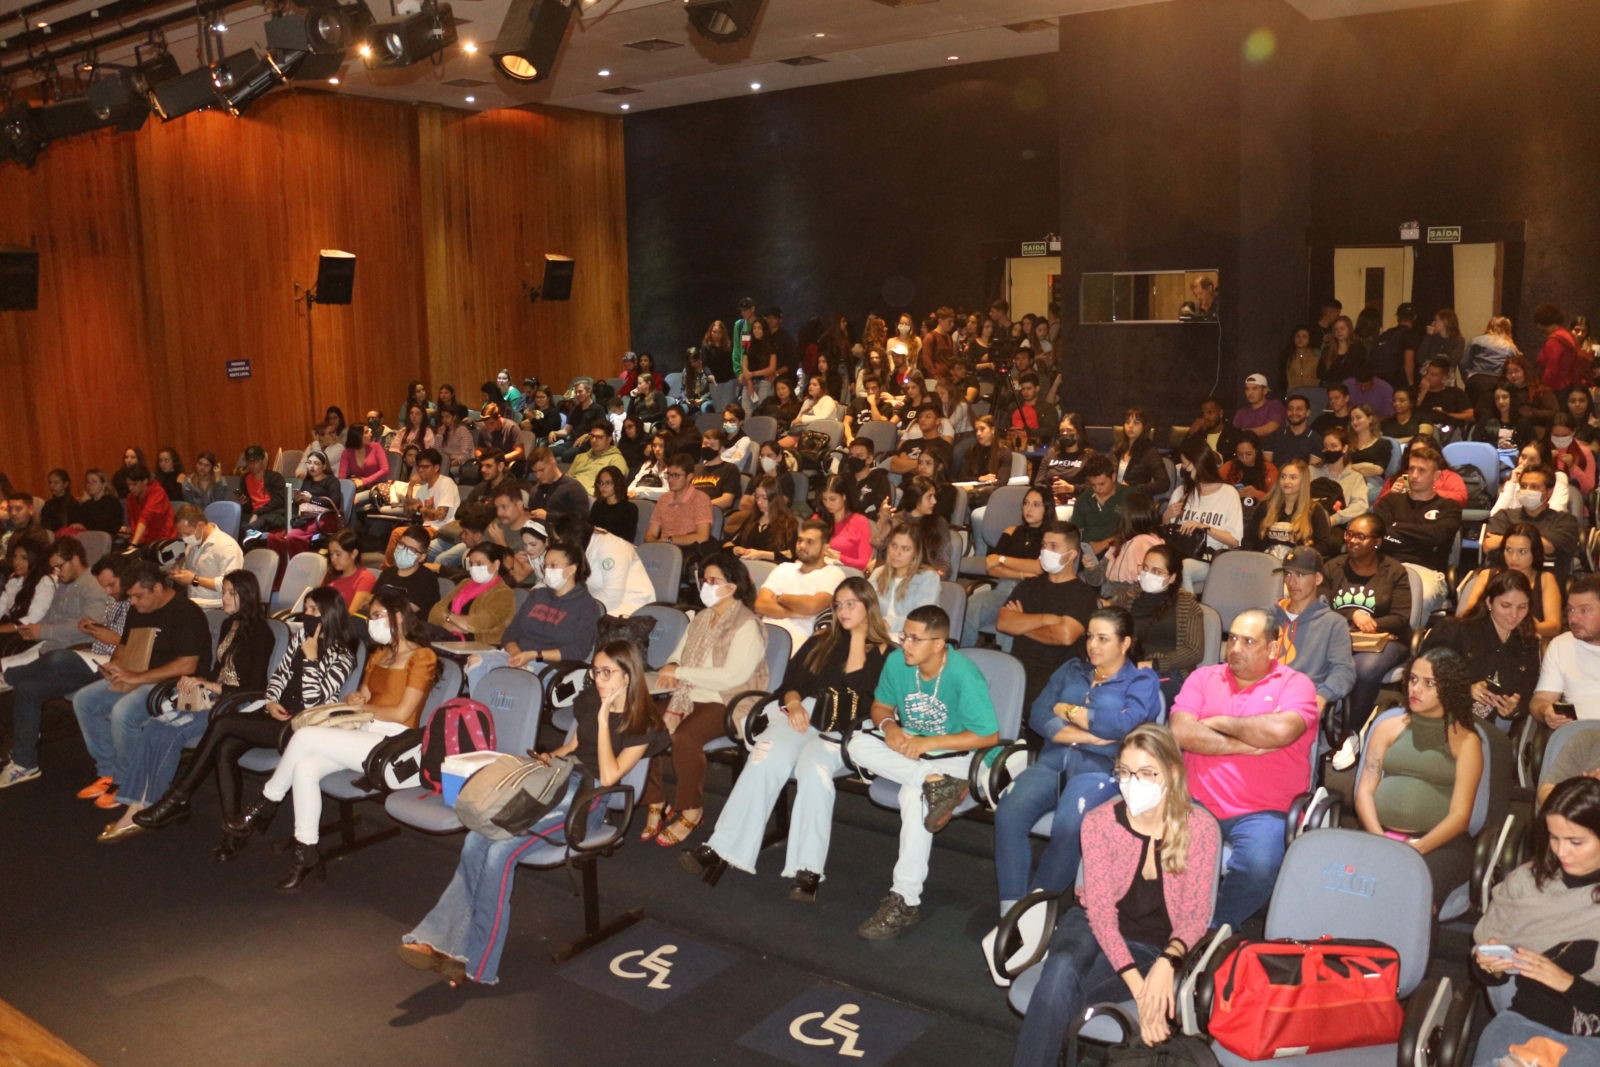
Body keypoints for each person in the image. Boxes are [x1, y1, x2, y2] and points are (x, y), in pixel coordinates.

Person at [401, 640, 668, 987]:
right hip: (557, 781)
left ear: (628, 675)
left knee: (500, 852)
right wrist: (544, 761)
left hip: (588, 801)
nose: (599, 679)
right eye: (595, 671)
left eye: (607, 673)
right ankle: (439, 942)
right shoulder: (590, 699)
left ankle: (476, 963)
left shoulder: (645, 723)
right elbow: (574, 746)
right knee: (475, 840)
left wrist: (605, 722)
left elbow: (610, 775)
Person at [1011, 724, 1222, 1067]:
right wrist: (1143, 993)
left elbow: (1195, 915)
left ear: (1172, 773)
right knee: (1061, 971)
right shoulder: (1100, 822)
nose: (1132, 782)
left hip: (1150, 943)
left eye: (1146, 773)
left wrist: (1167, 963)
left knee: (1057, 994)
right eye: (1124, 772)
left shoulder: (1200, 828)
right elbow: (1102, 916)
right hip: (1090, 924)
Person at [679, 578, 893, 897]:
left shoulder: (887, 653)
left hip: (849, 727)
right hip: (804, 712)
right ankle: (721, 847)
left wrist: (860, 638)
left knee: (813, 771)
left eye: (851, 604)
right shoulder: (821, 641)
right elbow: (790, 685)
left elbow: (858, 689)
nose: (843, 611)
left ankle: (808, 869)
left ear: (869, 606)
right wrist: (794, 705)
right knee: (764, 757)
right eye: (838, 605)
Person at [229, 592, 438, 890]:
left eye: (378, 616)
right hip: (363, 731)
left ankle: (266, 801)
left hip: (392, 743)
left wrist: (363, 708)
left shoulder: (422, 657)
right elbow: (364, 696)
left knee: (305, 735)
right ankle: (306, 854)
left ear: (399, 617)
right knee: (305, 767)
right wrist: (356, 700)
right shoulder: (380, 654)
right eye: (372, 617)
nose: (372, 623)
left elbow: (402, 713)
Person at [995, 607, 1163, 912]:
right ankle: (1011, 906)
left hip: (1100, 769)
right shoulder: (1072, 669)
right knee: (1008, 811)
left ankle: (1036, 908)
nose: (1092, 645)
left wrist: (1069, 710)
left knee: (1070, 825)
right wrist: (1090, 735)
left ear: (1125, 643)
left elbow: (1125, 726)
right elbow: (1038, 713)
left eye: (1103, 638)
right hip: (1053, 758)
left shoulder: (1141, 680)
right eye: (1089, 637)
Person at [847, 605, 1000, 939]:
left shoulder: (963, 674)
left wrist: (928, 744)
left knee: (913, 798)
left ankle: (905, 899)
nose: (906, 644)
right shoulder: (897, 662)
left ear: (939, 644)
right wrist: (889, 727)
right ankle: (934, 782)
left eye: (915, 639)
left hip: (959, 755)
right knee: (856, 744)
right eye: (905, 636)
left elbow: (988, 735)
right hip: (914, 751)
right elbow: (881, 706)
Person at [98, 570, 274, 843]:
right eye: (224, 591)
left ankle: (150, 806)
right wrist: (198, 682)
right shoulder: (230, 625)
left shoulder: (261, 633)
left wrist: (213, 687)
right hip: (215, 696)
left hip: (238, 704)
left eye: (231, 593)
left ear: (247, 595)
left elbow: (255, 685)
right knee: (154, 726)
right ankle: (135, 804)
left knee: (171, 731)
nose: (224, 598)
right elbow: (218, 670)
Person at [1170, 608, 1318, 929]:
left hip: (1265, 810)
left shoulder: (1295, 685)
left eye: (1248, 641)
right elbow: (1181, 732)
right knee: (1168, 849)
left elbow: (1281, 730)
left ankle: (1217, 928)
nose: (1235, 648)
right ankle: (1183, 923)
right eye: (1232, 639)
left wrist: (1220, 722)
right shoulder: (1203, 678)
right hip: (1197, 801)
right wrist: (1245, 744)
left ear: (1272, 649)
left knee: (1259, 865)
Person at [1470, 776, 1600, 1067]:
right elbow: (1486, 969)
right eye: (1554, 838)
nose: (1561, 852)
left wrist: (1568, 983)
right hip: (1527, 1017)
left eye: (1575, 842)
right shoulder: (1526, 883)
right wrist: (1489, 967)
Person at [641, 553, 769, 846]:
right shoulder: (701, 618)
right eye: (704, 580)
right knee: (642, 724)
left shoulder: (746, 624)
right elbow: (678, 655)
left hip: (726, 700)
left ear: (732, 587)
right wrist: (672, 668)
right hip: (687, 694)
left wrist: (680, 672)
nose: (705, 585)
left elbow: (731, 677)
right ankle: (655, 798)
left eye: (713, 581)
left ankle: (692, 809)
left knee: (685, 737)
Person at [71, 562, 212, 810]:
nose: (133, 602)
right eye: (131, 597)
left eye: (138, 596)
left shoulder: (186, 613)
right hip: (140, 676)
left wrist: (137, 678)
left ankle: (129, 781)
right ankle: (109, 772)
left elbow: (188, 665)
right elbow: (125, 646)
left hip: (181, 686)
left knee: (124, 712)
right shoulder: (138, 609)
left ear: (157, 588)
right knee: (84, 700)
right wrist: (114, 667)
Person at [1354, 647, 1485, 911]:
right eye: (1413, 679)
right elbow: (1364, 791)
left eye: (1428, 683)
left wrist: (1416, 849)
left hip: (1439, 844)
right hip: (1377, 834)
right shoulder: (1387, 727)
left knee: (1414, 899)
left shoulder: (1466, 740)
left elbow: (1460, 816)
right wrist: (1379, 839)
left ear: (1448, 688)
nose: (1416, 689)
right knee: (1348, 887)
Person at [0, 551, 121, 788]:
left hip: (111, 661)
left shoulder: (134, 602)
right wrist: (93, 627)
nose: (107, 591)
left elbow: (137, 644)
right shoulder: (101, 595)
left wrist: (109, 637)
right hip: (92, 656)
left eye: (111, 585)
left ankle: (8, 676)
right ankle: (25, 764)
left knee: (57, 658)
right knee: (28, 689)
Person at [462, 540, 602, 694]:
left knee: (515, 678)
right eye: (545, 566)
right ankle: (478, 709)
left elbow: (579, 650)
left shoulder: (586, 606)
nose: (547, 570)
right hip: (517, 656)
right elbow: (510, 634)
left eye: (553, 566)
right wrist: (517, 654)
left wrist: (533, 656)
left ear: (571, 569)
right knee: (476, 662)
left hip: (549, 665)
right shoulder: (537, 596)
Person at [1323, 515, 1413, 749]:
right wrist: (1353, 614)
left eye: (1360, 536)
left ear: (1377, 542)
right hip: (1339, 636)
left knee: (1364, 669)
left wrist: (1370, 623)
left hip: (1386, 640)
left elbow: (1400, 618)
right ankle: (1318, 723)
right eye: (1349, 534)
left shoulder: (1394, 571)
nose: (1352, 540)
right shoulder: (1332, 567)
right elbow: (1322, 607)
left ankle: (1348, 731)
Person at [1423, 570, 1541, 734]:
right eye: (1506, 606)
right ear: (1489, 602)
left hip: (1490, 730)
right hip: (1444, 717)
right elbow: (1423, 677)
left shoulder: (1528, 645)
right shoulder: (1456, 631)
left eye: (1522, 607)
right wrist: (1465, 689)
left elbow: (1528, 693)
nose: (1514, 615)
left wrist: (1515, 707)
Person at [998, 522, 1097, 713]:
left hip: (1057, 672)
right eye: (1044, 545)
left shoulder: (1084, 594)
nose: (1045, 551)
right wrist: (1047, 619)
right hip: (1017, 665)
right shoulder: (1029, 585)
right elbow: (1003, 622)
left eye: (1053, 546)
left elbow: (1065, 636)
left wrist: (1022, 623)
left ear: (1072, 555)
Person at [1373, 441, 1461, 614]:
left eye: (1422, 470)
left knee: (1414, 599)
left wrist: (1396, 527)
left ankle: (1411, 632)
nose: (1414, 475)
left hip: (1428, 572)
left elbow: (1437, 536)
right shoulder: (1389, 502)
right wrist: (1421, 538)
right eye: (1411, 469)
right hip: (1387, 568)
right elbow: (1378, 535)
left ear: (1436, 476)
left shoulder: (1449, 507)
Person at [1271, 546, 1355, 716]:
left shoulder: (1334, 624)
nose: (1291, 582)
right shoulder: (1268, 616)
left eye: (1300, 575)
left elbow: (1344, 670)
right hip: (1263, 696)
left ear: (1318, 578)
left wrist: (1323, 695)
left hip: (1300, 703)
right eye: (1288, 574)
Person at [962, 486, 1048, 648]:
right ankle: (964, 653)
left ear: (1047, 509)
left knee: (1010, 618)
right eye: (1026, 503)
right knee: (973, 605)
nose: (1029, 509)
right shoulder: (1011, 531)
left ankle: (1007, 661)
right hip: (1003, 588)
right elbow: (991, 566)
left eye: (1036, 505)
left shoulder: (1050, 536)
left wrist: (1003, 560)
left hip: (1032, 593)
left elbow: (1039, 567)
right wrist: (1021, 574)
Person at [1163, 436, 1244, 593]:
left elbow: (1234, 541)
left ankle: (1188, 607)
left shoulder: (1228, 493)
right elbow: (1169, 532)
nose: (1184, 468)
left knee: (1184, 567)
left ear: (1198, 462)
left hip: (1211, 558)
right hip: (1181, 552)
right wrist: (1166, 516)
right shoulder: (1182, 492)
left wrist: (1203, 527)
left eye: (1185, 463)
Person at [1467, 521, 1566, 641]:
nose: (1514, 558)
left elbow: (1554, 626)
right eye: (1509, 550)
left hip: (1528, 642)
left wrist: (1516, 629)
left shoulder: (1545, 579)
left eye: (1522, 552)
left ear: (1535, 552)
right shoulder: (1487, 575)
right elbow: (1468, 616)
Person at [753, 522, 846, 649]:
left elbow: (812, 606)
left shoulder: (834, 574)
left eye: (809, 542)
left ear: (825, 548)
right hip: (763, 635)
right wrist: (793, 612)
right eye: (800, 540)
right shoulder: (783, 568)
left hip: (799, 642)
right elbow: (760, 605)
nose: (802, 546)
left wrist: (780, 598)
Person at [547, 512, 655, 618]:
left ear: (571, 538)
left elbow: (612, 595)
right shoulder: (581, 547)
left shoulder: (610, 546)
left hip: (630, 606)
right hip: (599, 604)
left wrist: (578, 610)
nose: (558, 545)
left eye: (559, 540)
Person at [1531, 574, 1600, 727]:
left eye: (1584, 611)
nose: (1573, 619)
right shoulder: (1561, 645)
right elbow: (1540, 700)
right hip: (1579, 734)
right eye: (1570, 610)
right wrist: (1546, 711)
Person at [1250, 458, 1339, 559]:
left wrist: (1304, 557)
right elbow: (1250, 539)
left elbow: (1324, 544)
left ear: (1303, 481)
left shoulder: (1315, 510)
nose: (1286, 481)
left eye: (1293, 477)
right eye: (1283, 477)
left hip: (1299, 564)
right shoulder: (1265, 506)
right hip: (1266, 562)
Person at [428, 542, 515, 645]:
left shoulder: (503, 593)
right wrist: (448, 625)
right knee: (419, 630)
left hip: (478, 644)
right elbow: (434, 612)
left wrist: (449, 617)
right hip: (450, 635)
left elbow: (479, 623)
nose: (474, 568)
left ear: (496, 564)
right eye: (472, 564)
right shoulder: (465, 583)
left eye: (479, 564)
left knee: (423, 633)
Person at [870, 475, 952, 578]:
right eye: (929, 497)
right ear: (916, 498)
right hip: (894, 574)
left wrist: (934, 575)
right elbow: (877, 543)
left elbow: (944, 563)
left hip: (923, 577)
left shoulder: (939, 523)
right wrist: (884, 517)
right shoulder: (897, 519)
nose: (934, 501)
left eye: (934, 496)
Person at [168, 504, 244, 611]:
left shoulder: (226, 546)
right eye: (181, 535)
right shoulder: (193, 545)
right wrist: (180, 576)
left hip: (217, 608)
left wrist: (194, 580)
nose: (184, 538)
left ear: (200, 525)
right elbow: (190, 578)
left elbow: (231, 584)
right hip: (194, 604)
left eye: (187, 533)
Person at [642, 453, 713, 551]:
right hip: (663, 550)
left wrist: (668, 540)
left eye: (676, 476)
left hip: (687, 551)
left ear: (689, 477)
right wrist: (657, 545)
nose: (670, 480)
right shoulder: (664, 499)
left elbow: (702, 537)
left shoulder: (700, 499)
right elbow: (650, 534)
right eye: (668, 475)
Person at [374, 525, 443, 617]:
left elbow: (404, 611)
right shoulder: (387, 572)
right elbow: (372, 599)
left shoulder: (427, 579)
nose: (403, 551)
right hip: (380, 618)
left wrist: (376, 609)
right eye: (401, 544)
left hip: (408, 624)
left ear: (422, 557)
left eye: (411, 549)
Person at [727, 476, 798, 564]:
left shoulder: (787, 522)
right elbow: (731, 543)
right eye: (757, 497)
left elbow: (792, 554)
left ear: (774, 498)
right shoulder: (752, 519)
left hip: (772, 568)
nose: (759, 502)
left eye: (764, 498)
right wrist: (736, 549)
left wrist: (762, 554)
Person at [1461, 315, 1521, 415]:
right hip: (1497, 381)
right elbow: (1515, 365)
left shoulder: (1475, 341)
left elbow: (1463, 362)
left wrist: (1467, 378)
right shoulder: (1510, 346)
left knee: (1471, 413)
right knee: (1493, 413)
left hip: (1476, 380)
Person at [1315, 427, 1371, 527]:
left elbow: (1361, 506)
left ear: (1344, 448)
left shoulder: (1356, 478)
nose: (1329, 450)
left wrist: (1334, 519)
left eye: (1334, 446)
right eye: (1326, 446)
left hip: (1338, 526)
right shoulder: (1311, 471)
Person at [815, 475, 872, 572]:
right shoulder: (818, 519)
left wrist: (838, 557)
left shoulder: (860, 522)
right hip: (819, 569)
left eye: (832, 499)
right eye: (824, 499)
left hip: (847, 572)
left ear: (844, 496)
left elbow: (864, 564)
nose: (827, 504)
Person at [1111, 407, 1171, 499]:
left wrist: (1134, 489)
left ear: (1144, 427)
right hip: (1114, 495)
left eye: (1136, 423)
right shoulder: (1118, 447)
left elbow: (1164, 483)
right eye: (1127, 422)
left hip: (1136, 500)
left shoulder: (1150, 451)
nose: (1130, 426)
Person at [525, 447, 588, 524]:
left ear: (553, 463)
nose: (538, 476)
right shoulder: (535, 491)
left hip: (564, 531)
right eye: (535, 472)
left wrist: (548, 517)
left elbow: (582, 520)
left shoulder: (574, 488)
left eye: (541, 470)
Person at [1533, 302, 1584, 393]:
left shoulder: (1554, 340)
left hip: (1557, 387)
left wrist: (1543, 386)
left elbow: (1552, 368)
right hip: (1570, 384)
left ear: (1540, 323)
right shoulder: (1567, 335)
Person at [690, 429, 742, 513]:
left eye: (712, 445)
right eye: (705, 444)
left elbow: (727, 500)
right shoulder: (694, 469)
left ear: (721, 449)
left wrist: (701, 506)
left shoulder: (730, 469)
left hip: (711, 512)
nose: (707, 447)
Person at [122, 464, 176, 546]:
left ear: (145, 481)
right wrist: (129, 532)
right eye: (128, 485)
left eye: (134, 484)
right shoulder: (130, 498)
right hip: (143, 542)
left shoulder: (157, 492)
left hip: (163, 541)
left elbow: (145, 517)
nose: (130, 488)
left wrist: (133, 544)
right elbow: (135, 524)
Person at [1265, 394, 1319, 466]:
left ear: (1307, 413)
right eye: (1290, 409)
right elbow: (1268, 467)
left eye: (1299, 409)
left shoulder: (1316, 439)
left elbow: (1312, 470)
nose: (1294, 412)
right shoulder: (1274, 436)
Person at [589, 465, 637, 543]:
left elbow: (627, 539)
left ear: (617, 483)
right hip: (597, 545)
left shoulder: (630, 509)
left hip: (618, 547)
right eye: (600, 483)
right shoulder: (597, 505)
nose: (603, 487)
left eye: (608, 483)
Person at [74, 468, 125, 536]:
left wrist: (88, 502)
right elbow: (82, 521)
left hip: (108, 537)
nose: (90, 485)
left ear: (103, 484)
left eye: (94, 481)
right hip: (91, 535)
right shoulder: (88, 503)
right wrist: (78, 525)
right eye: (88, 482)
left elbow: (102, 524)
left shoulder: (111, 501)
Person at [1233, 373, 1284, 439]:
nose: (1250, 393)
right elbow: (1234, 434)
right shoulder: (1241, 412)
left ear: (1265, 391)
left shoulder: (1275, 406)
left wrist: (1244, 432)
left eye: (1254, 388)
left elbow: (1270, 428)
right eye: (1247, 389)